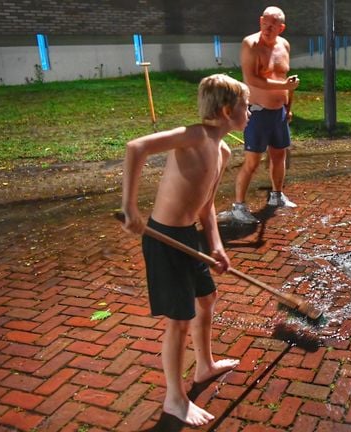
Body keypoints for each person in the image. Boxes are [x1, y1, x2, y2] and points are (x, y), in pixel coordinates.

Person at [120, 74, 249, 426]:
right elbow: (136, 147)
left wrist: (217, 245)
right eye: (245, 106)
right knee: (179, 321)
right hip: (164, 239)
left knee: (206, 300)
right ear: (226, 111)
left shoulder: (223, 149)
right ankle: (174, 399)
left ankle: (204, 365)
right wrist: (130, 208)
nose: (249, 112)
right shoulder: (193, 135)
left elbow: (206, 203)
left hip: (189, 239)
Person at [230, 6, 300, 224]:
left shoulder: (284, 45)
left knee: (279, 156)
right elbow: (252, 79)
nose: (268, 28)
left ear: (281, 27)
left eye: (273, 25)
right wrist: (283, 85)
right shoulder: (250, 44)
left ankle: (276, 196)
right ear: (260, 21)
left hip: (278, 113)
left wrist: (288, 108)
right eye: (265, 23)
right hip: (258, 113)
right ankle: (238, 206)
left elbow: (286, 80)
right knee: (252, 162)